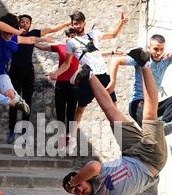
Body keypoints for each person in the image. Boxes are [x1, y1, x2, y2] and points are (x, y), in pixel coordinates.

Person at [61, 59, 167, 195]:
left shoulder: (94, 175)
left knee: (111, 112)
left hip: (130, 152)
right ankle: (145, 63)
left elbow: (92, 166)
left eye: (77, 187)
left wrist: (73, 181)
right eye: (75, 193)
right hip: (152, 160)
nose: (79, 190)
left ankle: (89, 74)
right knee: (149, 114)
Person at [0, 10, 70, 144]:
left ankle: (25, 129)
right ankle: (11, 130)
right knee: (8, 98)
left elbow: (41, 34)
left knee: (25, 99)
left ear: (30, 25)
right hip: (13, 71)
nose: (25, 23)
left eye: (27, 22)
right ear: (17, 25)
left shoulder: (25, 35)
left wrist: (62, 27)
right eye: (22, 21)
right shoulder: (6, 34)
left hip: (25, 72)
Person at [49, 11, 128, 154]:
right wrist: (56, 73)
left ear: (84, 23)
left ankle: (125, 139)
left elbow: (113, 35)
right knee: (80, 110)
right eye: (74, 23)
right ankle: (70, 140)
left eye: (78, 23)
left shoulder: (94, 35)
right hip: (88, 77)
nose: (76, 25)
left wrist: (122, 23)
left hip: (103, 75)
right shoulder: (71, 43)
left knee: (114, 109)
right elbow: (66, 64)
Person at [107, 34, 172, 134]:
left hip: (152, 105)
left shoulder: (166, 60)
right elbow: (117, 60)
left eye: (161, 49)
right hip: (138, 104)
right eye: (156, 49)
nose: (158, 52)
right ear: (149, 48)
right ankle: (153, 133)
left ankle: (162, 124)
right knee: (151, 133)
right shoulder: (142, 59)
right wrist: (112, 81)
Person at [0, 11, 52, 118]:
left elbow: (30, 39)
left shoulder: (14, 39)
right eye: (7, 33)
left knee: (10, 94)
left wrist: (43, 39)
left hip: (1, 75)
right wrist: (17, 31)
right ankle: (11, 102)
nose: (10, 36)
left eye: (11, 34)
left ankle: (18, 100)